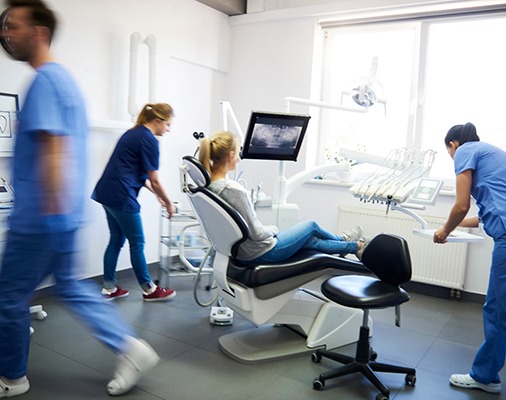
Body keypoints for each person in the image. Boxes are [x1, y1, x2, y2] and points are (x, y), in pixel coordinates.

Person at [0, 1, 161, 396]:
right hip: (61, 214)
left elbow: (54, 147)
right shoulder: (64, 80)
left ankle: (11, 377)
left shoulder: (44, 82)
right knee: (70, 286)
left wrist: (48, 214)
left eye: (13, 25)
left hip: (42, 217)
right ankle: (131, 348)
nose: (5, 33)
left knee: (8, 297)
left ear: (38, 32)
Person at [197, 130, 367, 264]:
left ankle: (352, 246)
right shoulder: (233, 190)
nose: (240, 158)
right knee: (310, 225)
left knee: (311, 241)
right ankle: (345, 240)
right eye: (239, 152)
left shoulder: (210, 186)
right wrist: (274, 229)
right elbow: (256, 233)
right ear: (230, 155)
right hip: (262, 252)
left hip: (243, 251)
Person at [434, 122, 505, 394]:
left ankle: (485, 377)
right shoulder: (493, 153)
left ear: (453, 145)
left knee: (497, 310)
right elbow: (487, 213)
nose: (453, 159)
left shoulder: (465, 151)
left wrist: (445, 230)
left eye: (449, 153)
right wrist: (453, 225)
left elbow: (461, 205)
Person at [92, 103, 177, 301]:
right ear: (157, 121)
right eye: (168, 124)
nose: (169, 129)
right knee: (137, 242)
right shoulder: (149, 140)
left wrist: (154, 192)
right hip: (122, 195)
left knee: (116, 240)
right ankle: (149, 289)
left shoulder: (133, 133)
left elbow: (132, 169)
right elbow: (154, 178)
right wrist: (168, 202)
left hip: (107, 192)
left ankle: (109, 288)